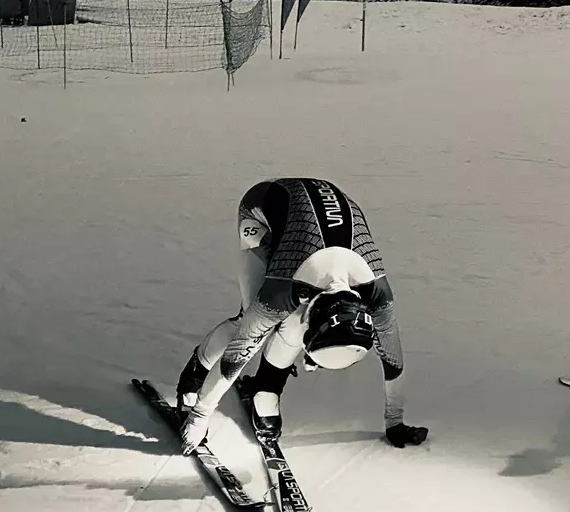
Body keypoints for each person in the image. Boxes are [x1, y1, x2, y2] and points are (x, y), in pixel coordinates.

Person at [172, 177, 428, 455]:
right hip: (260, 210)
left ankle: (266, 387)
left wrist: (395, 421)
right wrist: (200, 415)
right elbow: (239, 352)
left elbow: (393, 360)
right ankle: (195, 375)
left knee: (291, 322)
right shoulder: (282, 290)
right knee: (250, 323)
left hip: (313, 220)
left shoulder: (378, 296)